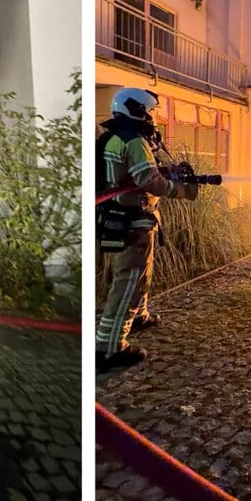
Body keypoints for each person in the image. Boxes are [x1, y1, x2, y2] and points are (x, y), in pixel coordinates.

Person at [95, 87, 198, 372]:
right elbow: (146, 180)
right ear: (137, 110)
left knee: (141, 275)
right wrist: (181, 190)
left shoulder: (117, 137)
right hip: (132, 220)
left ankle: (137, 316)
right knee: (128, 281)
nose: (153, 117)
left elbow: (135, 173)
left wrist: (168, 171)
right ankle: (108, 349)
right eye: (150, 112)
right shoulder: (133, 140)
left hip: (131, 218)